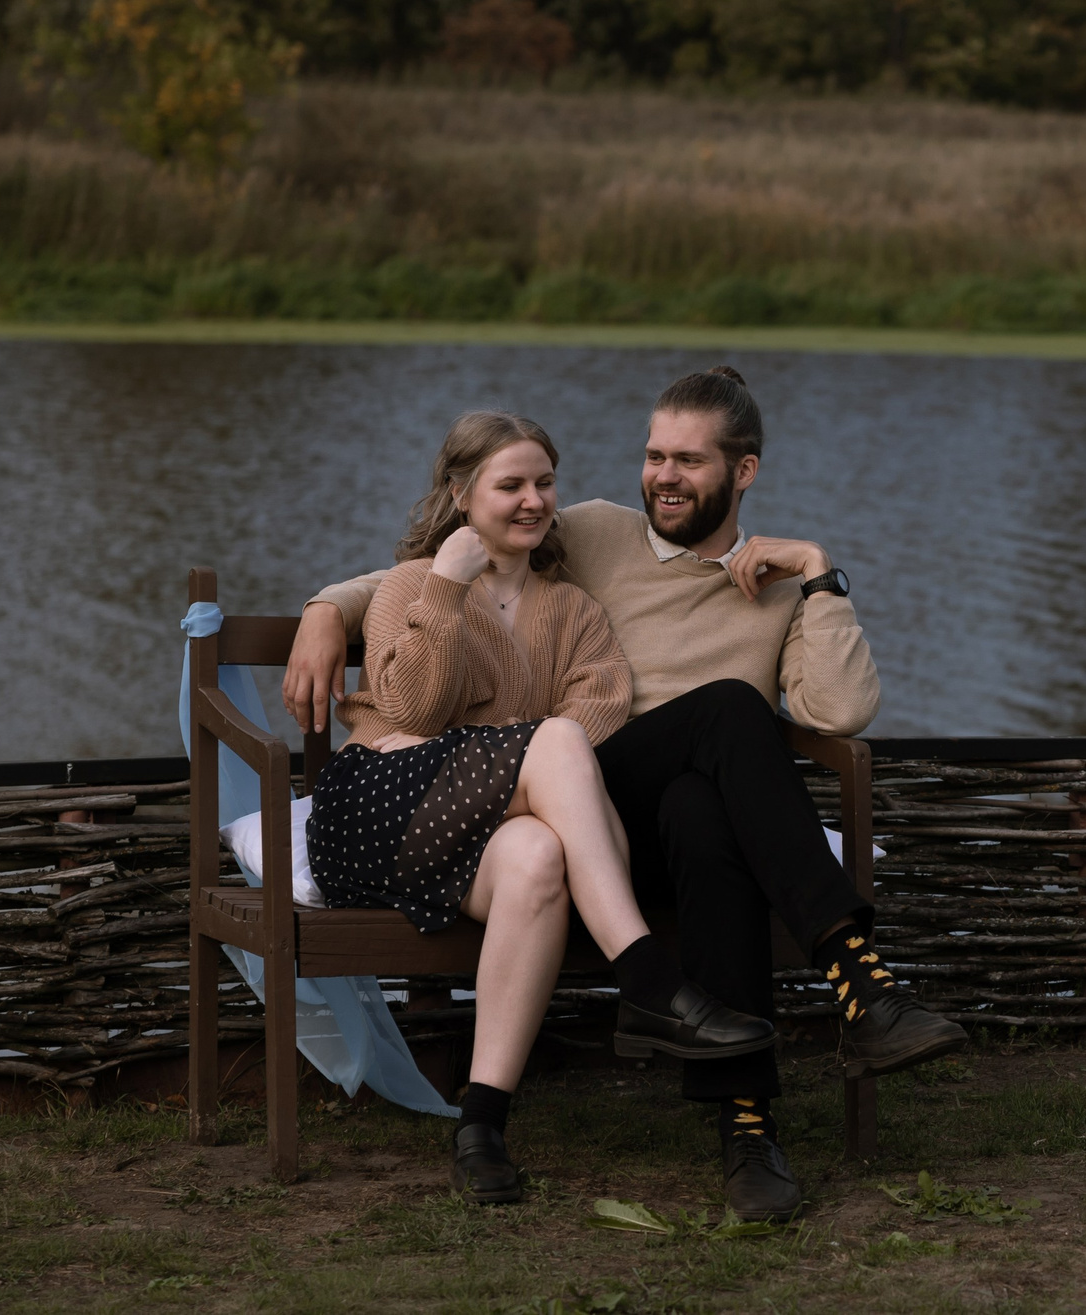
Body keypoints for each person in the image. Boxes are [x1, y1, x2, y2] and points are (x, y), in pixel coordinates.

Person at [285, 368, 967, 1223]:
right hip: (574, 780)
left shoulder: (779, 585)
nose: (664, 476)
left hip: (636, 813)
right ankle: (858, 981)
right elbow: (468, 543)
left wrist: (821, 574)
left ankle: (748, 1128)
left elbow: (842, 711)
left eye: (687, 459)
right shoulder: (599, 532)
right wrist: (320, 609)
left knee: (702, 803)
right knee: (728, 707)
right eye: (654, 455)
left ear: (743, 471)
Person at [305, 409, 776, 1208]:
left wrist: (509, 753)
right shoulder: (413, 587)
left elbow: (595, 724)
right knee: (553, 744)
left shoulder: (574, 610)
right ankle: (649, 979)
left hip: (490, 828)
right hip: (378, 810)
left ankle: (481, 1127)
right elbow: (414, 712)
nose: (533, 500)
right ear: (460, 493)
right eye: (510, 484)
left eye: (545, 482)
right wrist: (449, 587)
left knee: (539, 856)